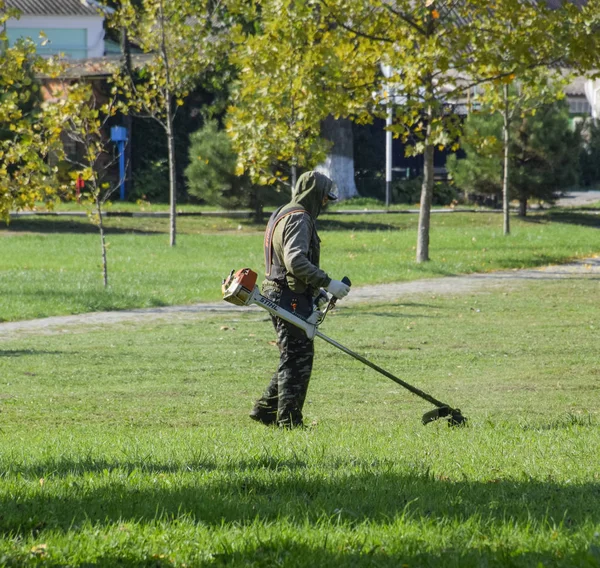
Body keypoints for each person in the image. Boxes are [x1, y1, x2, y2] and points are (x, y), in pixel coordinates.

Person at [250, 171, 351, 428]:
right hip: (288, 295)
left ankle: (265, 409)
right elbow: (295, 261)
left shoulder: (284, 211)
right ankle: (289, 422)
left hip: (281, 292)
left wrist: (316, 293)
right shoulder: (300, 217)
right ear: (314, 194)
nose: (325, 203)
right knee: (298, 357)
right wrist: (327, 282)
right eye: (324, 198)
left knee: (293, 355)